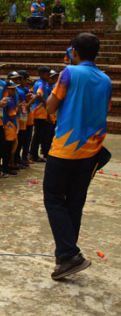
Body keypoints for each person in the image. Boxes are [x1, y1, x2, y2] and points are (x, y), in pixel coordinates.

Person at [43, 32, 112, 280]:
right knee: (74, 202)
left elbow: (51, 106)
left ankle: (70, 254)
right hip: (90, 151)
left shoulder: (69, 72)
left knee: (53, 198)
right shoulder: (105, 79)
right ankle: (65, 257)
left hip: (65, 148)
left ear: (75, 52)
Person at [30, 66, 52, 162]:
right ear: (42, 74)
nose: (48, 77)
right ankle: (34, 155)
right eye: (47, 75)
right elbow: (38, 95)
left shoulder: (41, 83)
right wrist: (46, 103)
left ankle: (33, 153)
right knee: (38, 135)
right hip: (39, 112)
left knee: (38, 134)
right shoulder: (41, 84)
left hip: (41, 112)